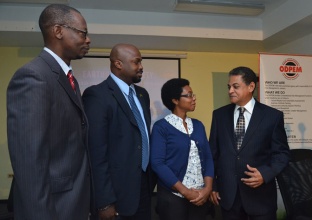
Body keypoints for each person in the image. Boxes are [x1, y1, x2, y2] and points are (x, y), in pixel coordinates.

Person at [6, 4, 92, 220]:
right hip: (53, 206)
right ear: (58, 31)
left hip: (73, 201)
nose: (88, 39)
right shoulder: (34, 76)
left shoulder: (67, 78)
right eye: (83, 33)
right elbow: (29, 161)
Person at [83, 43, 154, 220]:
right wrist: (105, 201)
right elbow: (96, 153)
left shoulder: (142, 94)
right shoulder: (97, 95)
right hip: (116, 194)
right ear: (118, 64)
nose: (141, 67)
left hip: (144, 187)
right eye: (136, 62)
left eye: (141, 62)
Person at [209, 66, 290, 220]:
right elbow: (213, 154)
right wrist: (213, 186)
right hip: (228, 199)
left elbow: (282, 154)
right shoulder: (219, 115)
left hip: (260, 199)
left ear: (251, 86)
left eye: (235, 86)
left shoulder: (272, 116)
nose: (230, 91)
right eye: (229, 87)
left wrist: (265, 174)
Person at [150, 78, 214, 220]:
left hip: (200, 196)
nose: (193, 98)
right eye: (189, 95)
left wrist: (207, 189)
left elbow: (208, 158)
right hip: (173, 197)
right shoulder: (161, 127)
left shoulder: (198, 125)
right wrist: (185, 192)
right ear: (175, 100)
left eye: (193, 95)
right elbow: (157, 164)